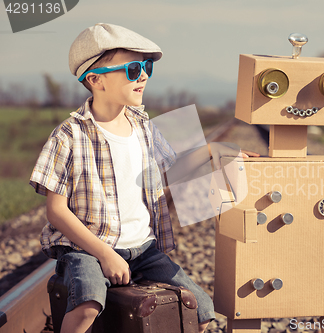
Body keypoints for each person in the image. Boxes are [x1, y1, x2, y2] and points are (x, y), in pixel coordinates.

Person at [29, 23, 257, 333]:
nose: (144, 76)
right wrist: (105, 254)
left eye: (146, 67)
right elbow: (55, 210)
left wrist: (212, 149)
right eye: (134, 68)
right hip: (88, 250)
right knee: (88, 305)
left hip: (144, 249)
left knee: (202, 311)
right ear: (95, 80)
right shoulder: (69, 135)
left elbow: (170, 171)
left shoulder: (144, 127)